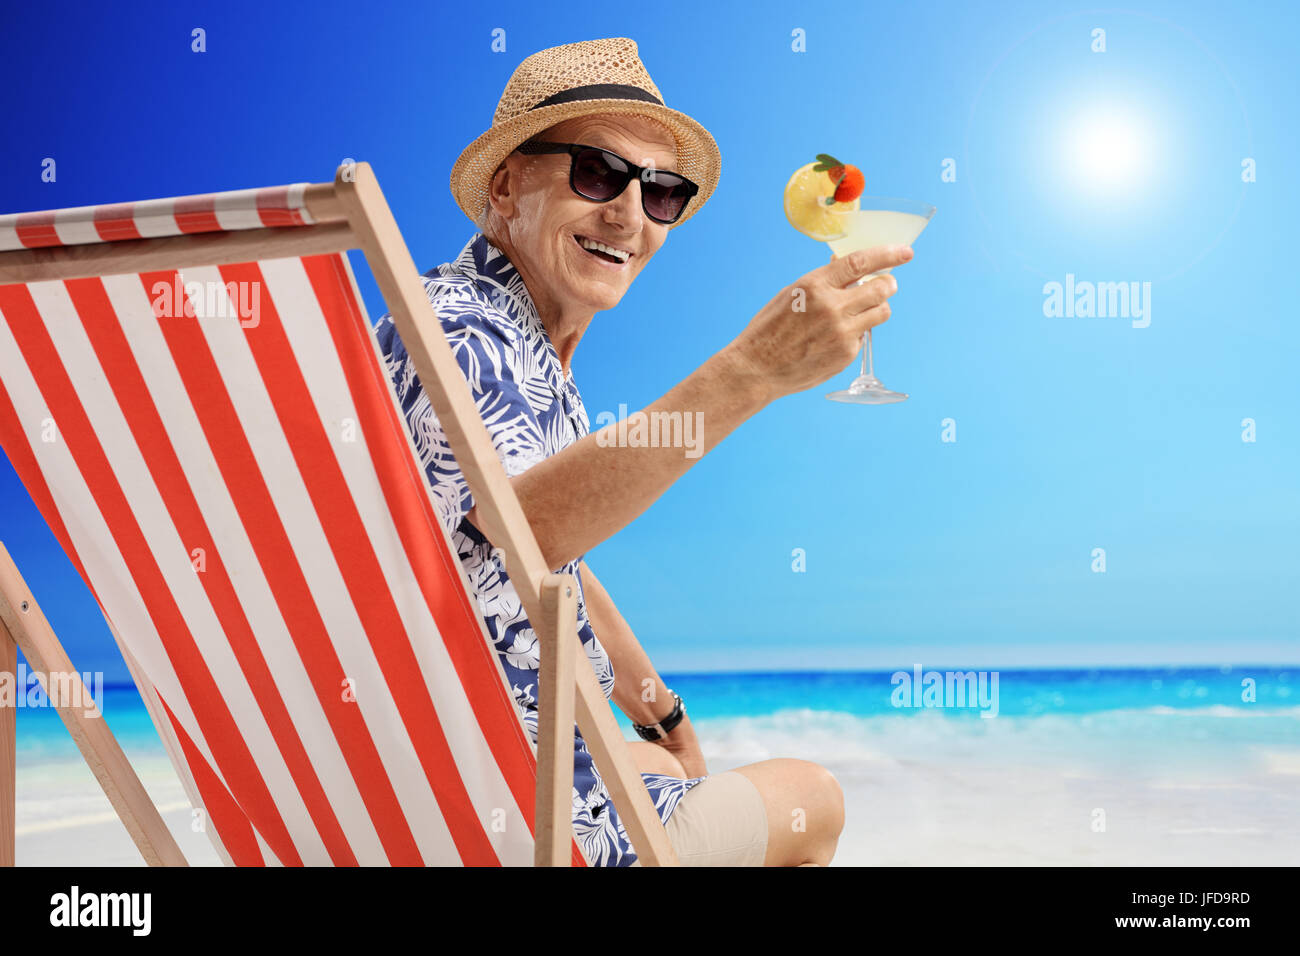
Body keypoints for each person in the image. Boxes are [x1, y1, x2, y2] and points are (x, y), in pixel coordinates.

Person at [375, 37, 910, 866]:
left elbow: (539, 552)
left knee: (659, 762)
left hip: (444, 784)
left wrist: (661, 713)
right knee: (813, 800)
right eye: (597, 172)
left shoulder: (516, 345)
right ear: (508, 182)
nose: (630, 214)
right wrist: (752, 372)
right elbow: (521, 531)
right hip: (514, 819)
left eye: (660, 191)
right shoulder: (464, 328)